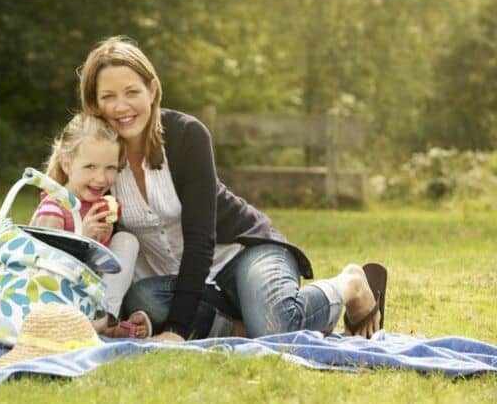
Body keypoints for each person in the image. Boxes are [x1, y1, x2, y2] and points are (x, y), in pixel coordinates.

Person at [78, 36, 384, 341]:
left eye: (132, 92)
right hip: (181, 283)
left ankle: (351, 284)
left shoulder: (186, 136)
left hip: (242, 256)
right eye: (108, 97)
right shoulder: (96, 161)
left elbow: (200, 240)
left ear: (152, 90)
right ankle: (249, 325)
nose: (121, 106)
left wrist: (176, 331)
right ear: (94, 104)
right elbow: (72, 216)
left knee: (275, 328)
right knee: (142, 301)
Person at [30, 112, 152, 338]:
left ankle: (106, 317)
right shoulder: (54, 207)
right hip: (57, 300)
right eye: (90, 167)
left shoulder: (98, 205)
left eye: (110, 168)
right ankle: (98, 323)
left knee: (126, 240)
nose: (101, 179)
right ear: (66, 165)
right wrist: (82, 237)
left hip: (90, 296)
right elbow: (43, 271)